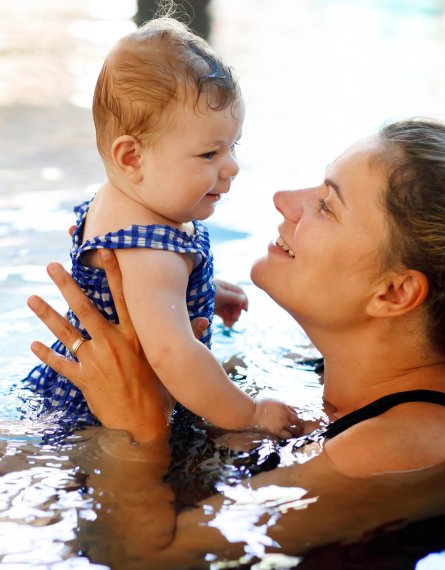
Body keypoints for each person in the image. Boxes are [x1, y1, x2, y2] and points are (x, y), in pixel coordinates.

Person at [27, 118, 445, 565]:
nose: (284, 202)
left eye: (326, 205)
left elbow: (150, 559)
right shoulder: (372, 381)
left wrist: (139, 431)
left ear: (394, 294)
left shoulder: (403, 449)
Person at [23, 17, 298, 437]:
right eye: (209, 154)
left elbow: (143, 296)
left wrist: (197, 290)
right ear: (132, 157)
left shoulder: (123, 200)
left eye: (232, 146)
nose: (232, 167)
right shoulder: (152, 253)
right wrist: (251, 415)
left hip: (71, 392)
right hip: (101, 422)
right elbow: (173, 355)